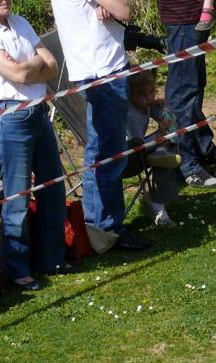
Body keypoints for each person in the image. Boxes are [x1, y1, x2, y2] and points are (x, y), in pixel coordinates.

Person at [0, 0, 68, 291]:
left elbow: (52, 65)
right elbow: (20, 75)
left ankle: (52, 258)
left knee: (54, 186)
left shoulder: (21, 23)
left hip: (38, 111)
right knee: (17, 196)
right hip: (10, 117)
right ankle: (16, 267)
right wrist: (35, 64)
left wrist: (30, 65)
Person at [51, 0, 149, 252]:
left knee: (98, 152)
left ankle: (95, 227)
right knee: (110, 154)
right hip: (102, 71)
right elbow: (126, 10)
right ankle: (108, 229)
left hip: (98, 68)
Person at [156, 0, 216, 187]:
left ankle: (199, 152)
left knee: (192, 87)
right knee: (182, 93)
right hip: (183, 17)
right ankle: (186, 164)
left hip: (192, 17)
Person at [125, 70, 181, 226]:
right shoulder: (130, 115)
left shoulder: (144, 105)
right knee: (162, 156)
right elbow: (137, 146)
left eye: (152, 92)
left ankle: (161, 199)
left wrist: (161, 109)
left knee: (166, 147)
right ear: (130, 95)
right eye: (143, 95)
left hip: (140, 150)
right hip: (128, 158)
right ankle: (157, 204)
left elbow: (168, 120)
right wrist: (159, 133)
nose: (149, 98)